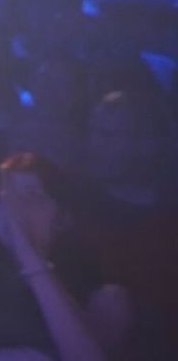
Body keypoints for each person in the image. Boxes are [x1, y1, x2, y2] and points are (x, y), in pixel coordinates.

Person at [0, 153, 132, 361]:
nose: (14, 209)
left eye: (31, 196)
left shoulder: (104, 293)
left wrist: (29, 254)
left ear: (62, 216)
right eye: (4, 198)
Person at [79, 91, 178, 360]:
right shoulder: (71, 205)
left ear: (147, 144)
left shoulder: (169, 218)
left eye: (108, 135)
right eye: (92, 132)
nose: (95, 144)